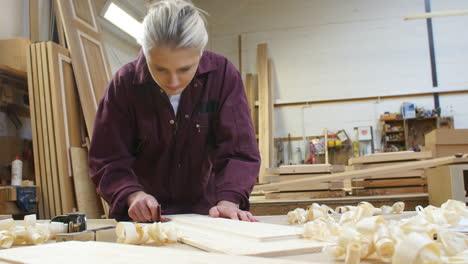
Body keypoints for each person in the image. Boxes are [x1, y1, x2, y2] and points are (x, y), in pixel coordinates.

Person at [89, 0, 260, 223]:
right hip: (143, 220)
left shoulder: (223, 76)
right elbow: (107, 158)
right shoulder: (124, 84)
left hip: (208, 215)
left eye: (185, 69)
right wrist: (132, 194)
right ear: (144, 51)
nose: (173, 81)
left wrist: (229, 199)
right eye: (159, 68)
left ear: (200, 53)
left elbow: (239, 151)